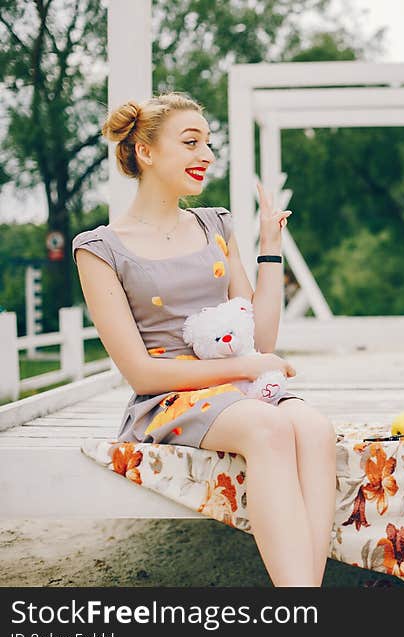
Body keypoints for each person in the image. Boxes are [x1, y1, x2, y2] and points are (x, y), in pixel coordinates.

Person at [72, 92, 337, 587]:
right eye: (191, 142)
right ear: (146, 153)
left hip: (240, 388)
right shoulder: (99, 249)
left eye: (208, 143)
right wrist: (247, 369)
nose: (207, 155)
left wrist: (270, 246)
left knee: (316, 430)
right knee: (269, 429)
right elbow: (141, 373)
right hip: (170, 398)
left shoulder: (215, 225)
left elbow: (258, 338)